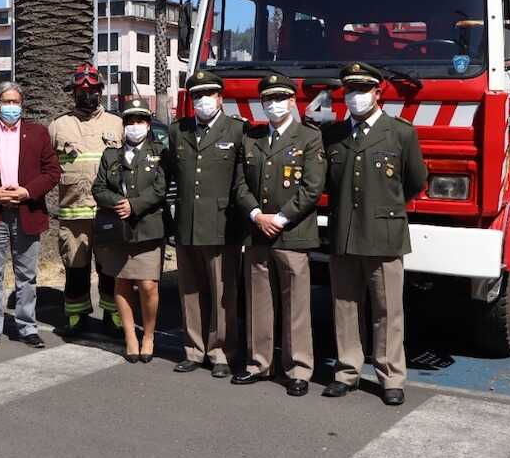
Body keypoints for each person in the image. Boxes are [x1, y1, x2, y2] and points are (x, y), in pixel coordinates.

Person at [321, 62, 427, 406]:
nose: (355, 97)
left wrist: (385, 209)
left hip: (383, 234)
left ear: (377, 94)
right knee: (345, 306)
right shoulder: (334, 135)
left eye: (362, 90)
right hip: (345, 234)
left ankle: (390, 376)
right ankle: (347, 371)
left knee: (387, 310)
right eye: (350, 91)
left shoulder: (400, 133)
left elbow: (414, 182)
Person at [230, 75, 324, 397]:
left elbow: (312, 188)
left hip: (293, 233)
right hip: (258, 232)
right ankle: (258, 363)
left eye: (281, 98)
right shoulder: (252, 139)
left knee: (295, 303)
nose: (274, 105)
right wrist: (257, 215)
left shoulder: (309, 137)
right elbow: (239, 184)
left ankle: (298, 369)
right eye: (268, 100)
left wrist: (280, 218)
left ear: (292, 101)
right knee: (258, 301)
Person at [0, 81, 61, 349]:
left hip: (27, 212)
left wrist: (27, 192)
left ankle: (27, 327)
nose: (11, 107)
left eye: (16, 102)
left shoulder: (37, 133)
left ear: (22, 105)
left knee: (26, 276)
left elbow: (52, 172)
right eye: (6, 102)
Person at [166, 71, 245, 377]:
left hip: (222, 225)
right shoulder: (179, 131)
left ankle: (222, 352)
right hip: (187, 224)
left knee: (223, 293)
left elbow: (241, 180)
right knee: (190, 292)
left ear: (220, 99)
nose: (202, 102)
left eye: (208, 95)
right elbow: (171, 173)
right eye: (197, 96)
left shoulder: (236, 130)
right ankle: (194, 349)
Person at [47, 63, 124, 337]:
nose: (87, 95)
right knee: (76, 269)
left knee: (110, 268)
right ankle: (77, 315)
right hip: (73, 214)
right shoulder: (58, 126)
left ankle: (113, 313)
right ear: (73, 93)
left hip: (107, 214)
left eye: (92, 90)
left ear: (101, 92)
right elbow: (47, 167)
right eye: (82, 91)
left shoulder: (117, 124)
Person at [91, 99, 168, 362]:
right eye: (130, 122)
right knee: (122, 283)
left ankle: (148, 334)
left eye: (140, 121)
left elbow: (161, 188)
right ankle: (130, 337)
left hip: (147, 228)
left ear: (148, 125)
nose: (135, 126)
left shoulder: (159, 152)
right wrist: (118, 204)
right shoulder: (110, 155)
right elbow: (99, 188)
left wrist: (135, 205)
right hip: (118, 230)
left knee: (148, 286)